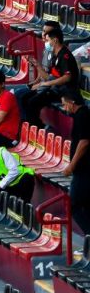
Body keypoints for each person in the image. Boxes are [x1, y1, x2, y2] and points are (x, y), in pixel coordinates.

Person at [19, 28, 79, 129]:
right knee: (24, 97)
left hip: (64, 91)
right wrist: (37, 65)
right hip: (53, 88)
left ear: (55, 40)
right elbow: (49, 77)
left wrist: (46, 84)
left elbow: (67, 77)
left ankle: (39, 129)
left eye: (47, 40)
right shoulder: (54, 55)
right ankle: (28, 129)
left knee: (32, 102)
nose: (45, 43)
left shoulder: (65, 56)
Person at [12, 21, 60, 115]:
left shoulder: (57, 53)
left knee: (25, 98)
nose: (43, 34)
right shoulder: (46, 49)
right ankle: (25, 126)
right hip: (42, 85)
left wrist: (36, 64)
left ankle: (31, 126)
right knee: (17, 93)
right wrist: (33, 83)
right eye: (43, 31)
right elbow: (42, 72)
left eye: (47, 33)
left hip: (51, 89)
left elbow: (49, 79)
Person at [61, 90, 90, 234]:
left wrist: (71, 166)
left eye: (64, 104)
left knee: (74, 206)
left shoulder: (83, 115)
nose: (64, 108)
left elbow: (84, 141)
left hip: (83, 170)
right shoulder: (81, 115)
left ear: (71, 103)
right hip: (83, 169)